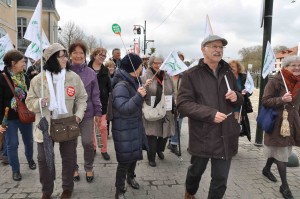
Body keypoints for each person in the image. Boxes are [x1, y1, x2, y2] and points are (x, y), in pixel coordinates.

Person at [177, 35, 244, 199]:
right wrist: (210, 114)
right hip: (203, 135)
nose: (218, 50)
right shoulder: (191, 74)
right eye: (214, 46)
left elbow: (240, 97)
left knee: (220, 179)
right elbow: (183, 104)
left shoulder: (228, 71)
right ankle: (190, 192)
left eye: (221, 47)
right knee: (196, 172)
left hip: (226, 134)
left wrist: (237, 96)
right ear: (203, 49)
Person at [25, 43, 88, 199]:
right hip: (44, 126)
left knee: (69, 158)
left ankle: (67, 188)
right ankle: (47, 191)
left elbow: (82, 98)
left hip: (67, 123)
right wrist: (40, 103)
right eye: (62, 56)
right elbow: (29, 102)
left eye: (66, 55)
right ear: (52, 59)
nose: (66, 58)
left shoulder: (73, 77)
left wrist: (78, 115)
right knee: (44, 160)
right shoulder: (38, 80)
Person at [111, 53, 150, 199]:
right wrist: (139, 96)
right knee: (124, 160)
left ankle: (131, 176)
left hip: (135, 125)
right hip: (124, 129)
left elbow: (137, 101)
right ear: (134, 67)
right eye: (141, 65)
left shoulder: (135, 80)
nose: (142, 67)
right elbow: (124, 108)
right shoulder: (121, 84)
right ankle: (119, 190)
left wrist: (143, 90)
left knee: (134, 155)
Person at [261, 55, 300, 199]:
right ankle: (285, 186)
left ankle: (266, 169)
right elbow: (265, 101)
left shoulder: (299, 82)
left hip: (292, 122)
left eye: (299, 65)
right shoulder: (276, 81)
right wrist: (281, 99)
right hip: (277, 122)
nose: (297, 68)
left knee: (278, 149)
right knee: (282, 154)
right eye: (293, 65)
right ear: (285, 67)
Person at [0, 50, 37, 181]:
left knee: (29, 141)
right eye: (22, 61)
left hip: (25, 115)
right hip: (9, 118)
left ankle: (30, 160)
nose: (24, 64)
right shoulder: (2, 77)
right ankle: (15, 170)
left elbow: (30, 96)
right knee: (12, 144)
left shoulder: (25, 77)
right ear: (13, 63)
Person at [69, 41, 102, 183]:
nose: (78, 55)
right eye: (75, 52)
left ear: (85, 55)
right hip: (69, 115)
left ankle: (89, 167)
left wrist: (98, 113)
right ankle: (73, 168)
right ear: (70, 54)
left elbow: (96, 95)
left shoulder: (91, 73)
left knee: (88, 142)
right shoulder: (64, 72)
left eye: (81, 53)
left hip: (87, 113)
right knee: (71, 144)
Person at [141, 53, 175, 167]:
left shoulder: (167, 76)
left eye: (160, 63)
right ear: (151, 63)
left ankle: (159, 150)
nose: (158, 65)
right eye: (155, 63)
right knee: (152, 134)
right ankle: (151, 157)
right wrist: (145, 86)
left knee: (164, 133)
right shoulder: (146, 76)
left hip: (166, 108)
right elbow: (141, 91)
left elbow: (173, 90)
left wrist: (174, 102)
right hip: (153, 107)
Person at [88, 47, 111, 160]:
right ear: (94, 55)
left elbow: (109, 87)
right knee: (92, 128)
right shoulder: (86, 69)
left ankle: (104, 149)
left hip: (102, 104)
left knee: (102, 127)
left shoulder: (105, 70)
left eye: (104, 55)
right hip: (89, 104)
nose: (102, 57)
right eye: (100, 54)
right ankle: (93, 148)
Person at [229, 60, 252, 141]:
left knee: (238, 124)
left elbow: (250, 90)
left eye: (233, 67)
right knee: (230, 125)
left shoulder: (243, 77)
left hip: (240, 106)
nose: (231, 69)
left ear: (238, 68)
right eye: (230, 67)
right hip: (230, 106)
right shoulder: (227, 76)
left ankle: (234, 142)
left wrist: (246, 92)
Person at [168, 51, 185, 156]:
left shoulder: (185, 76)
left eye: (181, 60)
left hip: (181, 104)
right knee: (170, 124)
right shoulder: (167, 75)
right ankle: (170, 141)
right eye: (178, 60)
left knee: (178, 123)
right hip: (169, 103)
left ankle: (174, 144)